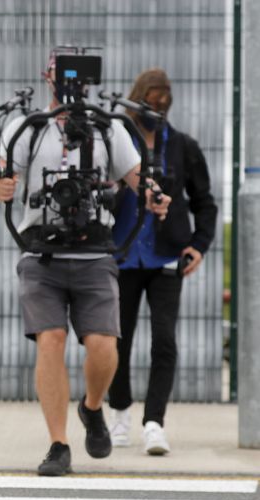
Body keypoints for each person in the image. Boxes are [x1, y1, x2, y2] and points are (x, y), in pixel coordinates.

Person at [0, 49, 171, 476]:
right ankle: (58, 443)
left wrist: (153, 196)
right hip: (41, 252)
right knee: (50, 339)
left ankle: (92, 408)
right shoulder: (26, 129)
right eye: (60, 74)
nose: (70, 83)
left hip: (94, 251)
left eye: (77, 76)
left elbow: (138, 178)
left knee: (104, 344)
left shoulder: (110, 130)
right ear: (46, 77)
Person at [108, 68, 217, 454]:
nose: (157, 109)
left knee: (164, 341)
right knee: (115, 342)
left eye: (163, 103)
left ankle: (154, 422)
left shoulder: (183, 147)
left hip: (167, 259)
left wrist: (199, 245)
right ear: (138, 102)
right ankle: (119, 412)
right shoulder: (118, 143)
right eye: (151, 103)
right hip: (121, 257)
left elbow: (205, 203)